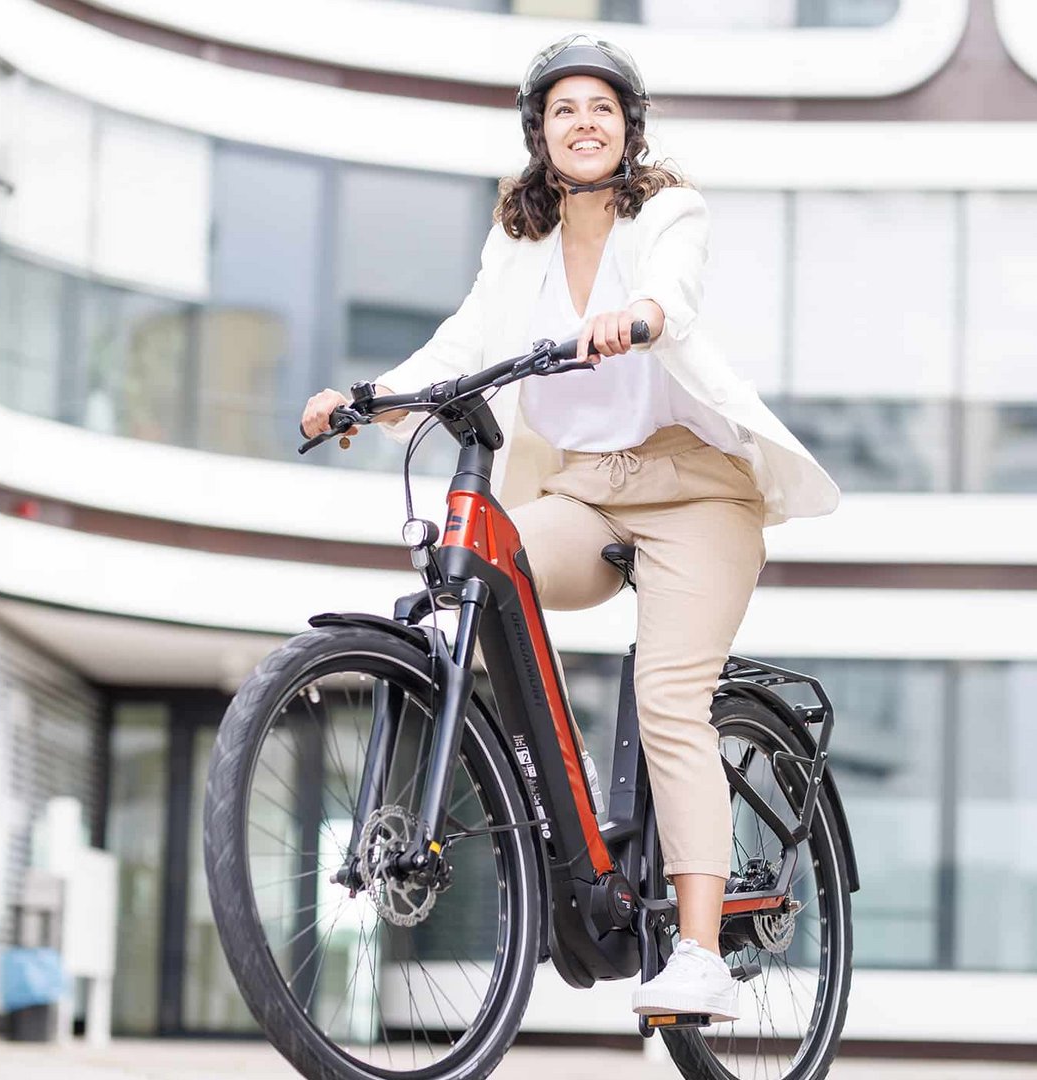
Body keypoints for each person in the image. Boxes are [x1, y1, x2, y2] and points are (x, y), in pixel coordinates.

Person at [299, 33, 838, 1023]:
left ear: (628, 130)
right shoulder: (518, 243)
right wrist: (370, 397)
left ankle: (703, 953)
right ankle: (570, 777)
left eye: (602, 107)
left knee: (669, 696)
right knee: (475, 586)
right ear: (539, 135)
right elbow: (464, 342)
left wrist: (634, 314)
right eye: (563, 110)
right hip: (586, 493)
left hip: (695, 494)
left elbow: (671, 294)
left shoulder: (669, 210)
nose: (583, 122)